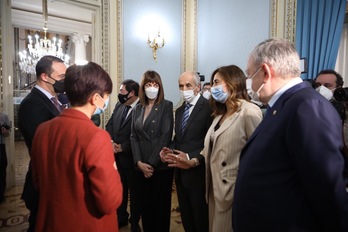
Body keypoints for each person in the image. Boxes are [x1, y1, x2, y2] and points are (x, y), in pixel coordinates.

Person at [233, 38, 348, 231]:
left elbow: (328, 189)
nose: (249, 81)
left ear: (265, 72)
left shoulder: (307, 106)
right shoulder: (285, 104)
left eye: (249, 74)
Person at [30, 62, 123, 232]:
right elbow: (109, 201)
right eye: (106, 95)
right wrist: (114, 170)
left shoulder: (42, 130)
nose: (107, 100)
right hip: (87, 224)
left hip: (50, 222)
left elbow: (38, 182)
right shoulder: (97, 137)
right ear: (95, 98)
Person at [201, 65, 262, 232]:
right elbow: (212, 147)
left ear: (233, 82)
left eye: (216, 82)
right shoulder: (219, 114)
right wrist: (190, 159)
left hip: (234, 191)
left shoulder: (249, 111)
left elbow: (260, 156)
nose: (213, 88)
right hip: (214, 188)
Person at [17, 55, 67, 232]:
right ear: (45, 77)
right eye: (61, 77)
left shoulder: (56, 100)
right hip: (45, 182)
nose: (65, 81)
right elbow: (47, 146)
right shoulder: (32, 105)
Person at [160, 71, 212, 232]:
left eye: (188, 85)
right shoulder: (180, 110)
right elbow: (181, 141)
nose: (184, 89)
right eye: (181, 86)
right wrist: (169, 151)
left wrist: (191, 157)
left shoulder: (209, 108)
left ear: (198, 87)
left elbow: (210, 141)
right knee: (187, 219)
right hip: (181, 175)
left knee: (200, 219)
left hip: (199, 173)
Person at [130, 70, 174, 232]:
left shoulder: (166, 105)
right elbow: (133, 137)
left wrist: (150, 164)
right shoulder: (138, 108)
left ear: (160, 87)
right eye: (149, 84)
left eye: (155, 84)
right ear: (143, 87)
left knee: (160, 212)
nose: (152, 87)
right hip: (141, 168)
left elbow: (165, 136)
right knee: (146, 209)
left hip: (160, 168)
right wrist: (139, 162)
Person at [106, 79, 141, 232]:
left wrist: (123, 148)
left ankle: (134, 221)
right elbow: (110, 124)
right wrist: (112, 142)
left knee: (135, 193)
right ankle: (120, 217)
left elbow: (139, 135)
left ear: (131, 93)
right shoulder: (119, 105)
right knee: (119, 190)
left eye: (122, 91)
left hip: (132, 158)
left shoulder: (142, 108)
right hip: (116, 158)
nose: (119, 94)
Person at [0, 107, 10, 203]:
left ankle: (1, 194)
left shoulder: (3, 116)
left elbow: (7, 134)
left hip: (1, 146)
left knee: (2, 170)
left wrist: (5, 131)